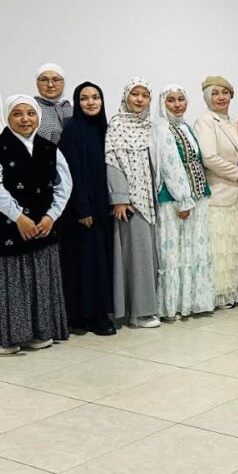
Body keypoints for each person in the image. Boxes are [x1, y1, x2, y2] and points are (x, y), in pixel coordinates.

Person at [0, 95, 71, 354]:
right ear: (7, 117)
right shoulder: (1, 146)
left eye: (30, 113)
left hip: (43, 225)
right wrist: (18, 217)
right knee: (13, 281)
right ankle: (8, 337)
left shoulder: (49, 147)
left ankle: (38, 332)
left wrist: (51, 216)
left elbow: (64, 185)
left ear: (38, 117)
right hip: (9, 226)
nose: (25, 119)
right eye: (17, 114)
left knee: (40, 279)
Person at [151, 85, 214, 320]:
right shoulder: (162, 130)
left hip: (197, 196)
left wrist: (192, 198)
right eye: (171, 100)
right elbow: (170, 166)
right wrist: (183, 199)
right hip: (174, 201)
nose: (177, 105)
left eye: (181, 99)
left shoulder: (185, 126)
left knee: (193, 251)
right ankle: (172, 306)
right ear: (162, 104)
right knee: (174, 254)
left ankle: (194, 302)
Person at [58, 82, 115, 335]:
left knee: (99, 262)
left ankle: (91, 315)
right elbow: (72, 172)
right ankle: (92, 317)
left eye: (95, 97)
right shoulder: (72, 130)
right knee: (88, 264)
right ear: (77, 102)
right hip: (83, 211)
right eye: (84, 98)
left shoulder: (104, 128)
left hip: (102, 207)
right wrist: (83, 209)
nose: (90, 102)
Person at [106, 77, 160, 328]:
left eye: (145, 95)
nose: (139, 99)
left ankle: (148, 307)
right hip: (131, 202)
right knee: (136, 256)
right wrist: (119, 198)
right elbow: (112, 161)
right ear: (126, 97)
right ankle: (139, 313)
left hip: (151, 199)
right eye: (135, 94)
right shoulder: (117, 124)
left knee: (149, 255)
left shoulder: (150, 125)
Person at [193, 75, 238, 310]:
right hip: (217, 193)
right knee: (219, 248)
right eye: (215, 93)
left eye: (225, 93)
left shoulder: (231, 121)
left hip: (234, 193)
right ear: (206, 97)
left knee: (231, 246)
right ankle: (218, 294)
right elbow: (209, 158)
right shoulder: (205, 121)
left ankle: (231, 292)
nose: (221, 97)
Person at [34, 63, 72, 144]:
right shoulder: (31, 108)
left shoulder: (70, 108)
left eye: (56, 80)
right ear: (37, 83)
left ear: (63, 82)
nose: (50, 85)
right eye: (44, 80)